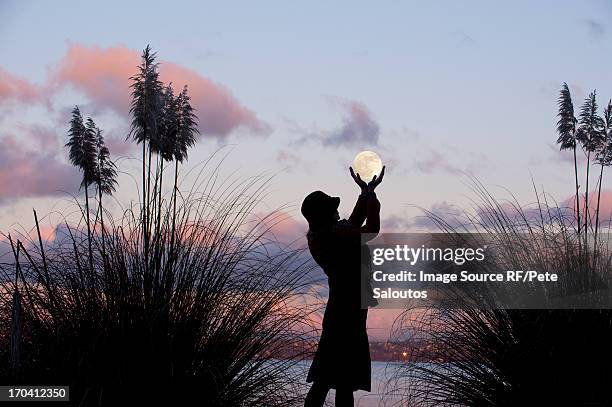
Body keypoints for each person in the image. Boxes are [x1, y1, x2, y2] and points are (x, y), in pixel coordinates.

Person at [301, 166, 385, 407]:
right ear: (325, 215)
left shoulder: (324, 236)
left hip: (342, 310)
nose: (339, 211)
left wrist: (365, 193)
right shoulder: (334, 235)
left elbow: (355, 223)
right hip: (347, 312)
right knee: (341, 380)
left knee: (327, 377)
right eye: (333, 209)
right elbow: (370, 229)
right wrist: (370, 196)